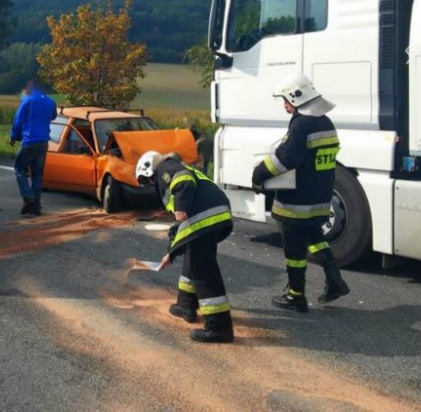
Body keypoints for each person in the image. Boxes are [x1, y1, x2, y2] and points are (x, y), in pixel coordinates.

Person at [251, 73, 350, 313]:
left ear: (297, 98)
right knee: (315, 238)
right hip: (320, 197)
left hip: (296, 201)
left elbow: (287, 158)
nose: (285, 105)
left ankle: (296, 296)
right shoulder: (326, 122)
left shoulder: (301, 124)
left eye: (286, 100)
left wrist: (259, 173)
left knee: (294, 249)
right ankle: (335, 281)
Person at [136, 151, 234, 343]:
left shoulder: (165, 168)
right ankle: (186, 305)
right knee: (193, 257)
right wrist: (171, 254)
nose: (149, 186)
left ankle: (218, 326)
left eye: (146, 181)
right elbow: (181, 229)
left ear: (149, 171)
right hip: (211, 215)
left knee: (203, 269)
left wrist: (180, 205)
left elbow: (184, 180)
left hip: (206, 217)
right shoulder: (170, 169)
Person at [10, 79, 58, 216]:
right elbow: (53, 116)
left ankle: (28, 197)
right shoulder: (50, 101)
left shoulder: (28, 100)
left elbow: (18, 119)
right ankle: (35, 207)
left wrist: (13, 136)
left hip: (30, 141)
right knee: (37, 173)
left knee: (20, 169)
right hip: (44, 142)